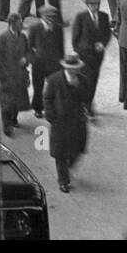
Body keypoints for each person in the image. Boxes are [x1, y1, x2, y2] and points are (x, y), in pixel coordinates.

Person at [43, 55, 89, 193]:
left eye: (75, 69)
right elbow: (47, 98)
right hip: (60, 122)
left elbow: (86, 97)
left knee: (77, 150)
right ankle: (63, 181)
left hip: (76, 121)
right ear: (65, 67)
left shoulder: (83, 80)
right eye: (69, 68)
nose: (72, 71)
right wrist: (51, 117)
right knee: (60, 154)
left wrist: (78, 88)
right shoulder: (54, 79)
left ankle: (69, 166)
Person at [71, 0, 111, 117]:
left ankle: (88, 104)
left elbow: (107, 34)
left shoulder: (104, 17)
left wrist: (103, 44)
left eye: (96, 4)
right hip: (84, 56)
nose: (94, 6)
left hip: (98, 56)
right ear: (87, 4)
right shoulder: (81, 17)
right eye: (92, 4)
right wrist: (79, 52)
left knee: (94, 80)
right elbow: (75, 38)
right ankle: (85, 105)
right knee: (85, 81)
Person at [0, 13, 31, 136]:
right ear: (12, 24)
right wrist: (3, 77)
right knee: (7, 103)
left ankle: (14, 119)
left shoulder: (23, 37)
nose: (22, 26)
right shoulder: (2, 39)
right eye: (20, 23)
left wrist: (26, 59)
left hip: (20, 75)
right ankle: (7, 125)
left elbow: (29, 52)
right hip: (7, 76)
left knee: (18, 100)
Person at [28, 5, 65, 118]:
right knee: (38, 87)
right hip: (39, 65)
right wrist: (34, 60)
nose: (51, 20)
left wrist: (61, 63)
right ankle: (38, 108)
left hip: (54, 64)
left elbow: (61, 47)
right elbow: (29, 47)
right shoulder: (35, 28)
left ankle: (52, 108)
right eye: (48, 17)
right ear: (42, 17)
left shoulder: (58, 29)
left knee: (54, 88)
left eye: (53, 17)